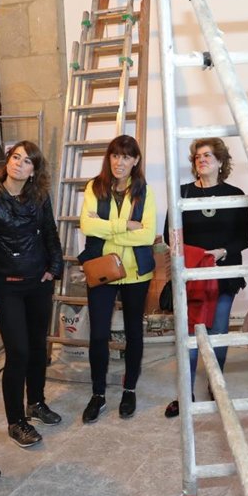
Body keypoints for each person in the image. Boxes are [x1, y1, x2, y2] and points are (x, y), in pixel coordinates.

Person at [0, 141, 64, 447]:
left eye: (27, 161)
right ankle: (16, 421)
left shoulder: (39, 196)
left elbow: (50, 232)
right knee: (19, 353)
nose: (19, 164)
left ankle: (36, 403)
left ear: (34, 171)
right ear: (8, 161)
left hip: (38, 283)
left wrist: (54, 267)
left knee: (38, 348)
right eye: (16, 157)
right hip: (7, 287)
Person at [164, 138, 248, 418]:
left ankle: (216, 385)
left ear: (220, 162)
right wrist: (194, 255)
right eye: (198, 156)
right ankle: (185, 392)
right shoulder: (182, 193)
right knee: (189, 335)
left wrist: (222, 252)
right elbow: (170, 234)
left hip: (223, 275)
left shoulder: (236, 194)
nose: (202, 160)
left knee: (218, 333)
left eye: (208, 156)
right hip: (191, 277)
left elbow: (244, 238)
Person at [79, 135, 156, 423]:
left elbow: (147, 235)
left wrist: (107, 230)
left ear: (135, 160)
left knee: (134, 332)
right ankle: (98, 394)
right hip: (102, 269)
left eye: (125, 156)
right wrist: (125, 225)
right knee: (99, 334)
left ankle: (129, 389)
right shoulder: (94, 187)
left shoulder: (145, 192)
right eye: (114, 155)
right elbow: (87, 226)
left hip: (136, 273)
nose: (119, 162)